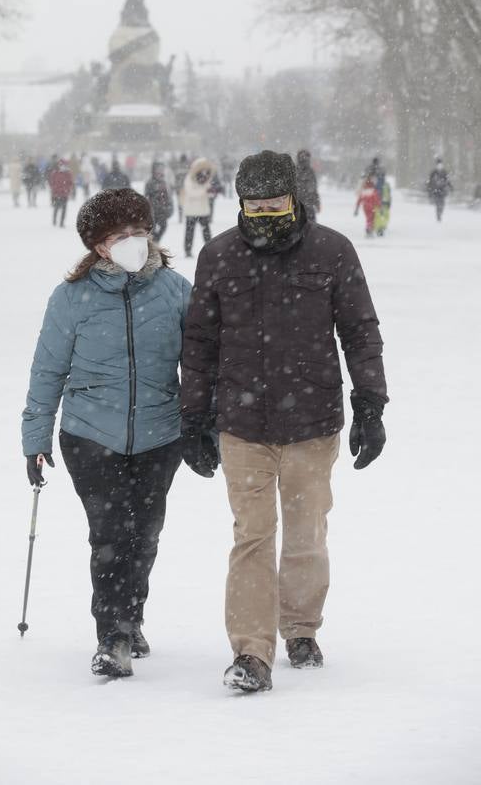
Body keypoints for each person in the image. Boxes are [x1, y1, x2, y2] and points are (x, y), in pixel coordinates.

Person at [181, 150, 388, 693]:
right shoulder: (219, 255)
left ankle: (300, 627)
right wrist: (193, 416)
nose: (265, 214)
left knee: (305, 536)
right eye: (255, 204)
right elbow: (199, 342)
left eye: (275, 203)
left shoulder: (331, 251)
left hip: (312, 421)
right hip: (241, 422)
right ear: (240, 201)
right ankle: (251, 652)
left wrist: (371, 404)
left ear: (294, 198)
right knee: (251, 537)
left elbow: (360, 331)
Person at [22, 189, 191, 678]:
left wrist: (206, 426)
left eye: (139, 232)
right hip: (91, 434)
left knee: (146, 533)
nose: (134, 242)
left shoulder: (176, 291)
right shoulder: (71, 298)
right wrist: (36, 437)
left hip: (161, 433)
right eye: (121, 236)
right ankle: (112, 634)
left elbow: (202, 367)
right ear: (98, 246)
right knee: (111, 534)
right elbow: (47, 372)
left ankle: (132, 614)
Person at [182, 157, 214, 257]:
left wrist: (211, 192)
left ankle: (210, 248)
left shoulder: (206, 178)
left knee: (206, 231)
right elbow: (191, 192)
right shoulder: (189, 178)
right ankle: (188, 250)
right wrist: (205, 191)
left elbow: (207, 191)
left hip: (203, 210)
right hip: (191, 210)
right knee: (190, 232)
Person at [144, 160, 173, 242]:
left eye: (162, 169)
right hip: (153, 211)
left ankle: (156, 241)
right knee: (152, 230)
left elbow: (168, 197)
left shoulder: (164, 182)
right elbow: (146, 197)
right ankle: (153, 243)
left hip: (162, 211)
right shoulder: (150, 183)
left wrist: (169, 208)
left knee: (163, 227)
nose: (161, 171)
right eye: (158, 169)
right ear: (154, 171)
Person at [295, 149, 320, 222]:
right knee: (311, 227)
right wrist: (316, 202)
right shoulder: (310, 172)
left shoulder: (294, 170)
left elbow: (314, 189)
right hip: (306, 204)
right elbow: (314, 189)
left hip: (298, 205)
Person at [49, 158, 74, 227]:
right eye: (61, 165)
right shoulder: (55, 173)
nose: (62, 166)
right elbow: (51, 182)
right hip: (56, 193)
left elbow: (70, 183)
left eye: (64, 165)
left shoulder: (68, 173)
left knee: (64, 208)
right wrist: (53, 189)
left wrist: (68, 190)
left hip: (64, 194)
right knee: (56, 207)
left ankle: (61, 222)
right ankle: (54, 220)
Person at [173, 153, 190, 222]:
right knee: (186, 203)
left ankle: (180, 217)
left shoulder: (177, 167)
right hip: (186, 188)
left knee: (180, 203)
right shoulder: (188, 167)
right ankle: (187, 216)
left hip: (179, 188)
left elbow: (175, 178)